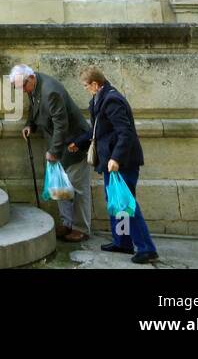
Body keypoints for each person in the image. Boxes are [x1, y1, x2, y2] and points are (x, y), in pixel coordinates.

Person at [70, 66, 159, 265]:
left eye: (86, 86)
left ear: (95, 84)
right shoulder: (99, 99)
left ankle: (147, 249)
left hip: (123, 162)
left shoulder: (112, 100)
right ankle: (123, 242)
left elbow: (125, 132)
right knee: (116, 203)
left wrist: (116, 158)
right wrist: (80, 142)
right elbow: (97, 130)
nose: (86, 89)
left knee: (127, 205)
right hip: (111, 162)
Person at [10, 64, 92, 243]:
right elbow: (34, 107)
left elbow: (61, 124)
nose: (23, 91)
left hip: (73, 143)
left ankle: (81, 229)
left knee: (78, 188)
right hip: (58, 144)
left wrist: (54, 151)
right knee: (60, 187)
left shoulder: (50, 91)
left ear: (30, 78)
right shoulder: (34, 85)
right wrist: (30, 125)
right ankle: (67, 223)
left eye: (24, 86)